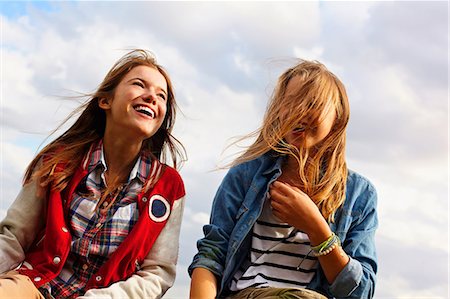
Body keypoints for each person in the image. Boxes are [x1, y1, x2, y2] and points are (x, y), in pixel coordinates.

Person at [0, 49, 186, 298]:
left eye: (161, 96)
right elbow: (14, 237)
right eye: (139, 84)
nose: (152, 96)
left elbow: (157, 274)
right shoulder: (58, 160)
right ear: (105, 101)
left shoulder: (168, 187)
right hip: (35, 287)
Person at [189, 60, 378, 298]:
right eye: (290, 102)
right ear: (278, 110)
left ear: (337, 119)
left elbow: (361, 292)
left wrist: (316, 228)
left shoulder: (359, 195)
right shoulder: (245, 175)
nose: (299, 111)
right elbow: (212, 254)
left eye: (312, 103)